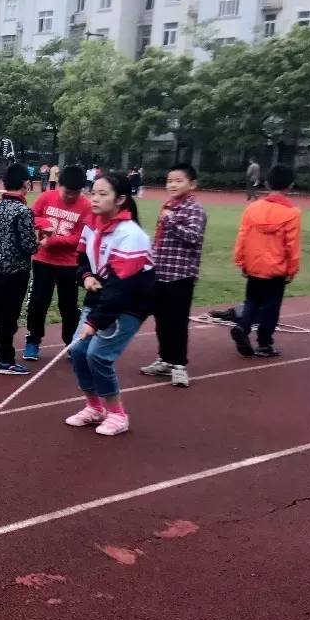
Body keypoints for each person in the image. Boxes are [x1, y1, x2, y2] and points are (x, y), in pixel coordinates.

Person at [65, 172, 155, 437]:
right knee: (79, 351)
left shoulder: (130, 235)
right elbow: (80, 259)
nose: (94, 198)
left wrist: (95, 321)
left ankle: (117, 414)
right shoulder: (91, 225)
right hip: (103, 296)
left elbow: (122, 287)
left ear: (121, 199)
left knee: (98, 355)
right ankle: (94, 408)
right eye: (93, 192)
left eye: (103, 194)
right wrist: (86, 276)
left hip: (130, 302)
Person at [140, 164, 207, 387]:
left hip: (181, 276)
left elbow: (193, 237)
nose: (172, 185)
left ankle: (179, 365)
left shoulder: (194, 210)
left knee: (177, 322)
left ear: (192, 184)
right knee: (161, 321)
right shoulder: (168, 206)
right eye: (169, 181)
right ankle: (165, 359)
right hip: (160, 273)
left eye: (179, 180)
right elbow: (160, 240)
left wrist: (170, 221)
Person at [231, 164, 301, 358]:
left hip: (254, 266)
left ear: (268, 182)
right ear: (290, 185)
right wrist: (292, 269)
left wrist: (241, 261)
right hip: (277, 269)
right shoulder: (292, 213)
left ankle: (243, 328)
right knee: (271, 307)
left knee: (252, 301)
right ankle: (264, 343)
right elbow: (292, 245)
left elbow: (242, 237)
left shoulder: (252, 208)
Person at [24, 165, 92, 361]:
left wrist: (53, 241)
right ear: (59, 186)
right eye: (67, 192)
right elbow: (31, 216)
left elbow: (81, 237)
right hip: (43, 261)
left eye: (75, 193)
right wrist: (44, 224)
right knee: (38, 302)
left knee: (69, 306)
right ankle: (33, 340)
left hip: (69, 265)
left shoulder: (86, 206)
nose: (70, 196)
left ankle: (71, 343)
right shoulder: (47, 197)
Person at [0, 164, 38, 376]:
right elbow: (29, 245)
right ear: (25, 183)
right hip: (15, 270)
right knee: (9, 315)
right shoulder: (22, 211)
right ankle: (4, 359)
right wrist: (44, 241)